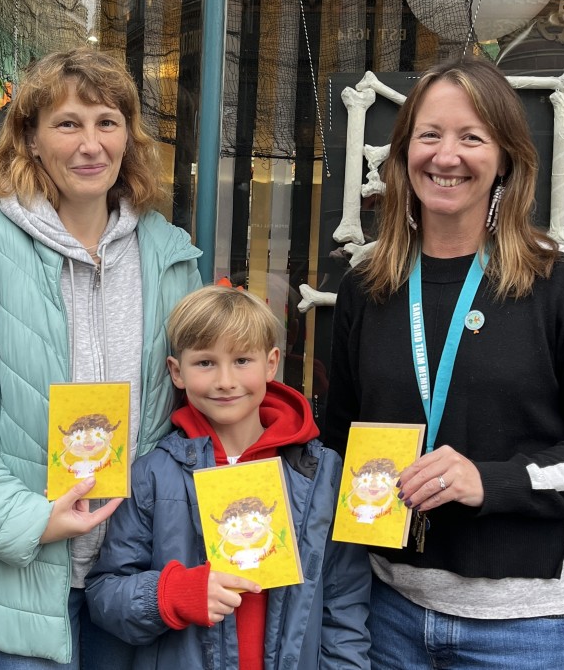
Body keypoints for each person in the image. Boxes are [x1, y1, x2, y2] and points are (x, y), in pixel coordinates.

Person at [324, 56, 564, 670]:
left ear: (506, 159)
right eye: (429, 135)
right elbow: (342, 440)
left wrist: (494, 480)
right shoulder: (367, 285)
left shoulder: (561, 280)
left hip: (528, 627)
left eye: (472, 137)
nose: (447, 157)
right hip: (385, 612)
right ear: (402, 152)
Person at [0, 47, 202, 668]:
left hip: (135, 575)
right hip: (24, 577)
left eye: (107, 122)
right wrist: (25, 520)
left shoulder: (172, 256)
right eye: (67, 123)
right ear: (31, 140)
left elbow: (200, 404)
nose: (90, 144)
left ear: (128, 138)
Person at [86, 285, 372, 669]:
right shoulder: (152, 475)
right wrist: (175, 594)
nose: (225, 380)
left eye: (241, 360)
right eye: (205, 363)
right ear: (177, 371)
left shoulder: (322, 474)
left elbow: (345, 601)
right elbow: (106, 595)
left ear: (271, 364)